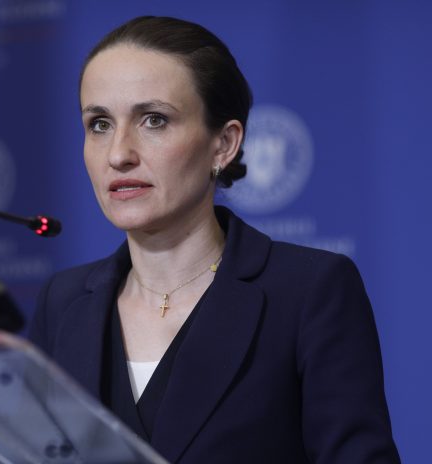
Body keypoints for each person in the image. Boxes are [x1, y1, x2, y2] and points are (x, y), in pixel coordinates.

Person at [29, 16, 400, 463]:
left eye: (153, 120)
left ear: (223, 144)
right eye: (100, 124)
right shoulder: (63, 301)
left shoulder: (309, 292)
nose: (119, 153)